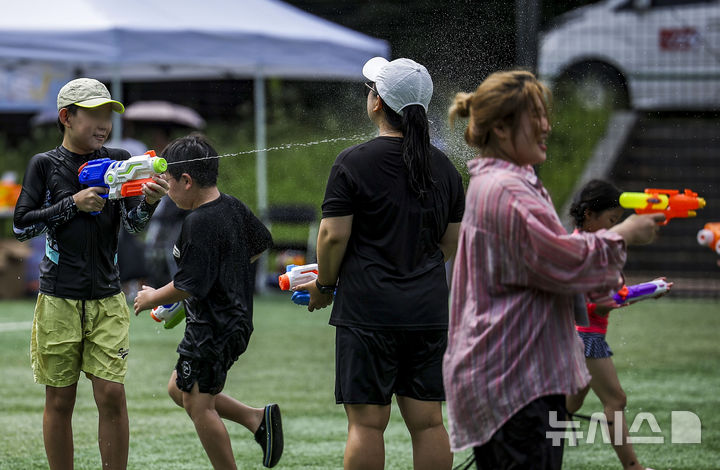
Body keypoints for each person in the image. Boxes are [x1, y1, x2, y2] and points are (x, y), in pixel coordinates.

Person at [443, 70, 664, 470]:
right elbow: (564, 263)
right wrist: (624, 235)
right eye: (536, 117)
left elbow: (549, 266)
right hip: (513, 384)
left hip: (515, 378)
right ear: (502, 129)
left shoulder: (511, 181)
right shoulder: (507, 190)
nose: (547, 125)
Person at [297, 57, 465, 470]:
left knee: (367, 426)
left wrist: (325, 285)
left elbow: (333, 236)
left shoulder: (353, 162)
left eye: (371, 89)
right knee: (428, 424)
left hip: (367, 310)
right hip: (427, 310)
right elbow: (451, 242)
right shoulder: (444, 168)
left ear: (377, 104)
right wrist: (415, 266)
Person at [12, 77, 168, 470]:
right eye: (94, 115)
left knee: (112, 395)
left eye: (108, 117)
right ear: (66, 117)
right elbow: (21, 226)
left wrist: (147, 203)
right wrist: (72, 204)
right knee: (60, 400)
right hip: (58, 298)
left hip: (108, 299)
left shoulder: (119, 161)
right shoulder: (44, 165)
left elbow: (132, 226)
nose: (103, 125)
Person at [133, 134, 283, 469]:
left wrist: (151, 297)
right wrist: (225, 273)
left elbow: (186, 284)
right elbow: (261, 242)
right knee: (178, 389)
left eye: (169, 183)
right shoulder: (232, 205)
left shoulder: (197, 223)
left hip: (212, 327)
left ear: (187, 181)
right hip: (233, 321)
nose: (167, 191)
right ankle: (256, 419)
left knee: (199, 405)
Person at [566, 179, 664, 470]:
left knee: (568, 405)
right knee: (616, 400)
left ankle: (535, 449)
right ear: (589, 216)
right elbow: (580, 301)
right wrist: (602, 303)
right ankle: (633, 468)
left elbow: (613, 297)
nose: (613, 228)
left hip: (584, 336)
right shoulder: (580, 249)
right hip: (585, 338)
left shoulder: (597, 249)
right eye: (610, 220)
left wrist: (649, 290)